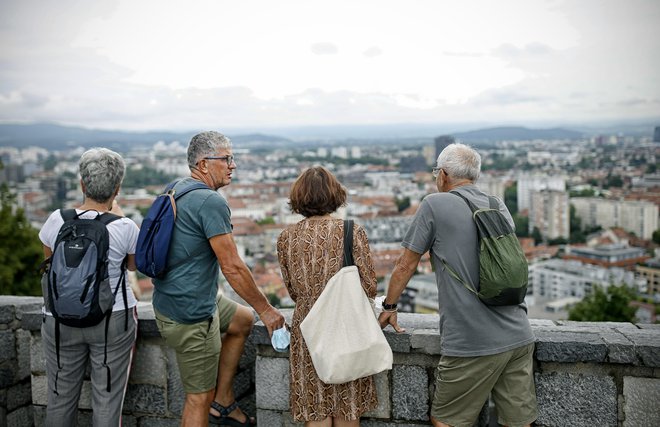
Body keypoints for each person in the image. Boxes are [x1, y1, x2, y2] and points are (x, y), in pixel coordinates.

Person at [379, 143, 538, 427]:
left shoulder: (434, 204)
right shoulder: (496, 204)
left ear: (443, 175)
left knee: (446, 421)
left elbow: (406, 264)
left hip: (472, 338)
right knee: (518, 422)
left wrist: (389, 306)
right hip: (518, 335)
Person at [151, 131, 285, 427]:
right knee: (198, 399)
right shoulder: (210, 202)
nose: (232, 165)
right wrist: (267, 309)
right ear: (203, 164)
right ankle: (213, 401)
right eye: (226, 159)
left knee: (242, 320)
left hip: (170, 298)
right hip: (190, 313)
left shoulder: (176, 188)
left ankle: (223, 400)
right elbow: (233, 266)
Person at [39, 148, 139, 426]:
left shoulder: (56, 220)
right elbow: (132, 267)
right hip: (112, 319)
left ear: (82, 184)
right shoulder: (126, 227)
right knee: (107, 399)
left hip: (59, 320)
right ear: (117, 188)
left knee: (59, 397)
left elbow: (49, 265)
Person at [276, 166, 378, 427]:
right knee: (348, 409)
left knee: (316, 409)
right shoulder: (351, 231)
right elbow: (369, 285)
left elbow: (292, 290)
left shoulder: (286, 237)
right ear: (335, 195)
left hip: (307, 327)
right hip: (346, 327)